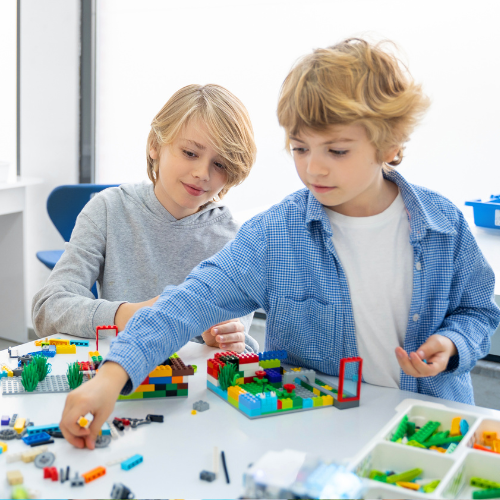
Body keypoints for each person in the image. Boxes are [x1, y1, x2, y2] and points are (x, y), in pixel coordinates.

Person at [60, 39, 500, 449]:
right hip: (317, 432)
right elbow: (188, 303)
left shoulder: (444, 227)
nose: (314, 169)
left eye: (337, 151)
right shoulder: (275, 235)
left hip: (430, 429)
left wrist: (455, 342)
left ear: (389, 144)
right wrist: (112, 376)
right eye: (300, 148)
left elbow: (479, 310)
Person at [32, 84, 259, 354]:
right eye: (190, 153)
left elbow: (239, 340)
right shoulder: (108, 209)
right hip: (116, 378)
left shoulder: (236, 241)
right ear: (155, 145)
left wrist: (226, 337)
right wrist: (130, 315)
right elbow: (48, 308)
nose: (202, 173)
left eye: (220, 164)